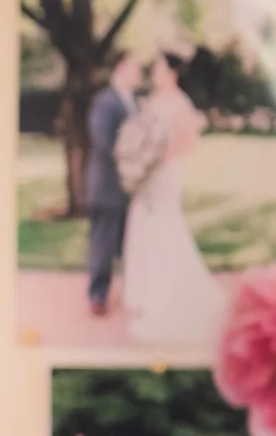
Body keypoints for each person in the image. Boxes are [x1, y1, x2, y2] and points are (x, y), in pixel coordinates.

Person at [122, 55, 229, 347]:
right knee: (144, 231)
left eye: (158, 68)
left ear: (171, 73)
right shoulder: (153, 100)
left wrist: (163, 158)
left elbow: (190, 142)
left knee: (164, 232)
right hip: (147, 175)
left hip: (165, 176)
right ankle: (147, 294)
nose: (154, 73)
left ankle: (168, 298)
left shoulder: (179, 102)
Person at [87, 52, 143, 317]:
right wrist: (130, 158)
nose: (139, 72)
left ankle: (127, 291)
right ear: (119, 68)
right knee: (103, 244)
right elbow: (102, 141)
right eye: (134, 67)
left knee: (126, 243)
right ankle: (98, 296)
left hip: (128, 187)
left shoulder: (133, 102)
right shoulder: (105, 102)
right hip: (107, 186)